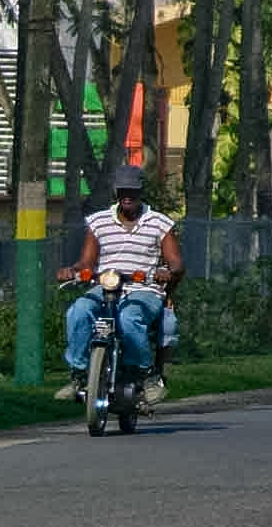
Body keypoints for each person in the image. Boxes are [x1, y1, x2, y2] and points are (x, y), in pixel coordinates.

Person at [53, 165, 184, 404]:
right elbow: (86, 262)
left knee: (129, 318)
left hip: (143, 289)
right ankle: (78, 375)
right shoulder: (99, 222)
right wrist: (72, 270)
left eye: (132, 191)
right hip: (106, 286)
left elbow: (176, 261)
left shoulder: (159, 223)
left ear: (141, 192)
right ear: (115, 191)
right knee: (79, 311)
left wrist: (167, 271)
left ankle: (145, 376)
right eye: (123, 191)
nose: (127, 196)